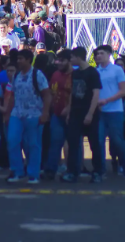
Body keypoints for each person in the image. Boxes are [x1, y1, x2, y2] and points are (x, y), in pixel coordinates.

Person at [7, 49, 51, 184]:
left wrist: (45, 113)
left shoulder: (37, 75)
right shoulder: (16, 76)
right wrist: (8, 113)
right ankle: (17, 171)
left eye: (21, 59)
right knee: (12, 140)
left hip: (34, 115)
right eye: (18, 59)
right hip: (17, 114)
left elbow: (47, 95)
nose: (18, 61)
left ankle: (33, 174)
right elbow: (13, 94)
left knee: (33, 144)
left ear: (28, 60)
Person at [61, 47, 103, 183]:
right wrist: (69, 111)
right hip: (75, 113)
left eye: (72, 57)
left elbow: (96, 94)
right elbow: (73, 93)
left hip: (89, 112)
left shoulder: (93, 73)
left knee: (93, 144)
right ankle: (72, 171)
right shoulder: (75, 73)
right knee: (73, 143)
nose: (70, 60)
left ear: (78, 57)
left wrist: (90, 114)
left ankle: (97, 171)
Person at [95, 45, 125, 178]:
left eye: (102, 53)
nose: (99, 56)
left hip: (115, 111)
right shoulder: (96, 71)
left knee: (117, 140)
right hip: (100, 112)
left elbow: (123, 91)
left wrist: (107, 100)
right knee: (98, 141)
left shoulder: (117, 70)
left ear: (109, 54)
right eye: (97, 54)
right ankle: (101, 170)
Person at [44, 49, 73, 179]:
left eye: (62, 60)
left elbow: (76, 94)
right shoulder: (55, 74)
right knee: (55, 142)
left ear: (69, 61)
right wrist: (48, 110)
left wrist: (68, 108)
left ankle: (72, 170)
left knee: (73, 144)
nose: (58, 63)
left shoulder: (75, 75)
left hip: (71, 115)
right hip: (56, 113)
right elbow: (50, 92)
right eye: (57, 60)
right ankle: (51, 170)